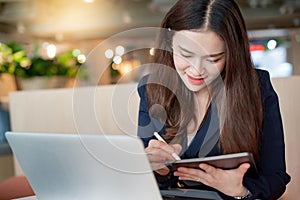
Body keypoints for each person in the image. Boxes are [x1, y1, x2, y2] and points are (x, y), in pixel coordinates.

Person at [137, 0, 291, 199]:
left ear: (231, 53)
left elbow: (276, 178)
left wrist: (241, 191)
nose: (196, 70)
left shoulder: (257, 88)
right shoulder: (151, 88)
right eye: (186, 54)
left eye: (213, 59)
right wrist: (159, 170)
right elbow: (146, 179)